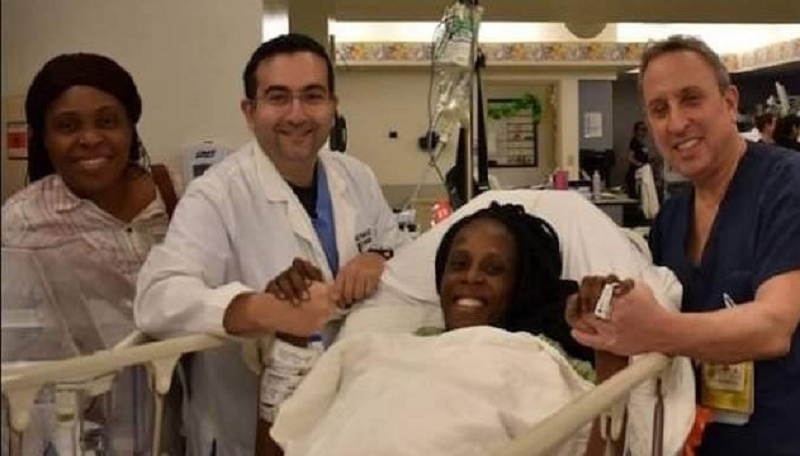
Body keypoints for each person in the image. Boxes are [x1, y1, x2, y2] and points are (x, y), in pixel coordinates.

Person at [134, 33, 408, 456]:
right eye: (278, 97)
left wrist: (378, 257)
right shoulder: (217, 195)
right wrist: (262, 310)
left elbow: (398, 248)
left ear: (333, 106)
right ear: (250, 111)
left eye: (312, 96)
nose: (297, 114)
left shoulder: (355, 177)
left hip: (349, 419)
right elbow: (158, 298)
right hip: (244, 428)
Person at [266, 203, 689, 456]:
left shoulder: (541, 358)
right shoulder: (379, 349)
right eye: (459, 264)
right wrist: (288, 327)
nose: (470, 277)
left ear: (519, 286)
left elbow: (600, 444)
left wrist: (610, 354)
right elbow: (286, 439)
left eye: (494, 269)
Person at [568, 35, 800, 455]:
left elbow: (774, 328)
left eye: (691, 99)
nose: (676, 123)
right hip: (697, 439)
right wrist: (602, 317)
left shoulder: (786, 186)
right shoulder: (672, 219)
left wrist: (653, 329)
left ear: (729, 102)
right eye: (660, 109)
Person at [1, 53, 175, 455]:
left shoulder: (173, 196)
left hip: (175, 406)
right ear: (43, 137)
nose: (90, 138)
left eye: (107, 121)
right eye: (67, 126)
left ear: (131, 127)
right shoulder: (22, 221)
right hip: (77, 421)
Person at [625, 121, 650, 198]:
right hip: (634, 175)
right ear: (636, 131)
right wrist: (640, 164)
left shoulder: (642, 144)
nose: (644, 132)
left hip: (643, 174)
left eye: (645, 129)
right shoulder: (634, 142)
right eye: (642, 129)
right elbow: (630, 158)